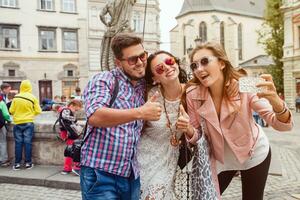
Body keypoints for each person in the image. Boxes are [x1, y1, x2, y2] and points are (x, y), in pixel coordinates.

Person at [181, 42, 293, 200]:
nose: (199, 69)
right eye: (194, 65)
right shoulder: (193, 94)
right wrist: (188, 129)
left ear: (221, 63)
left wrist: (276, 101)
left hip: (254, 154)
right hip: (221, 159)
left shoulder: (245, 85)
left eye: (205, 61)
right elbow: (197, 135)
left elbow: (280, 124)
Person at [80, 33, 162, 200]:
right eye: (132, 59)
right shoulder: (105, 79)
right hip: (101, 173)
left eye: (142, 56)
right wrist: (141, 112)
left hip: (131, 173)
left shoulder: (142, 85)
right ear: (118, 62)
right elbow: (95, 115)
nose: (140, 62)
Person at [137, 51, 188, 199]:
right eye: (159, 68)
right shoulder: (149, 96)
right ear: (155, 78)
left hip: (167, 159)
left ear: (176, 63)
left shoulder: (192, 92)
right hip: (141, 158)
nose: (167, 67)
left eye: (169, 61)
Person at [9, 80, 42, 170]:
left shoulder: (16, 97)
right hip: (28, 122)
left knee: (18, 143)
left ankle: (17, 164)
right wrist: (31, 114)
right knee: (27, 143)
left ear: (21, 87)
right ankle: (28, 163)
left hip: (17, 123)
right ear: (30, 87)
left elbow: (11, 111)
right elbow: (39, 111)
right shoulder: (32, 97)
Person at [57, 99, 83, 176]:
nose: (75, 111)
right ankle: (75, 167)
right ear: (72, 105)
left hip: (67, 134)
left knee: (71, 150)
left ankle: (68, 168)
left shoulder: (63, 110)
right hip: (71, 134)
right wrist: (76, 121)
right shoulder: (66, 110)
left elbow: (62, 124)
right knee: (74, 151)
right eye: (75, 109)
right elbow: (67, 118)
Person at [0, 95, 11, 167]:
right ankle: (3, 161)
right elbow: (6, 115)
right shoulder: (1, 103)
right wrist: (9, 120)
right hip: (0, 126)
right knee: (2, 142)